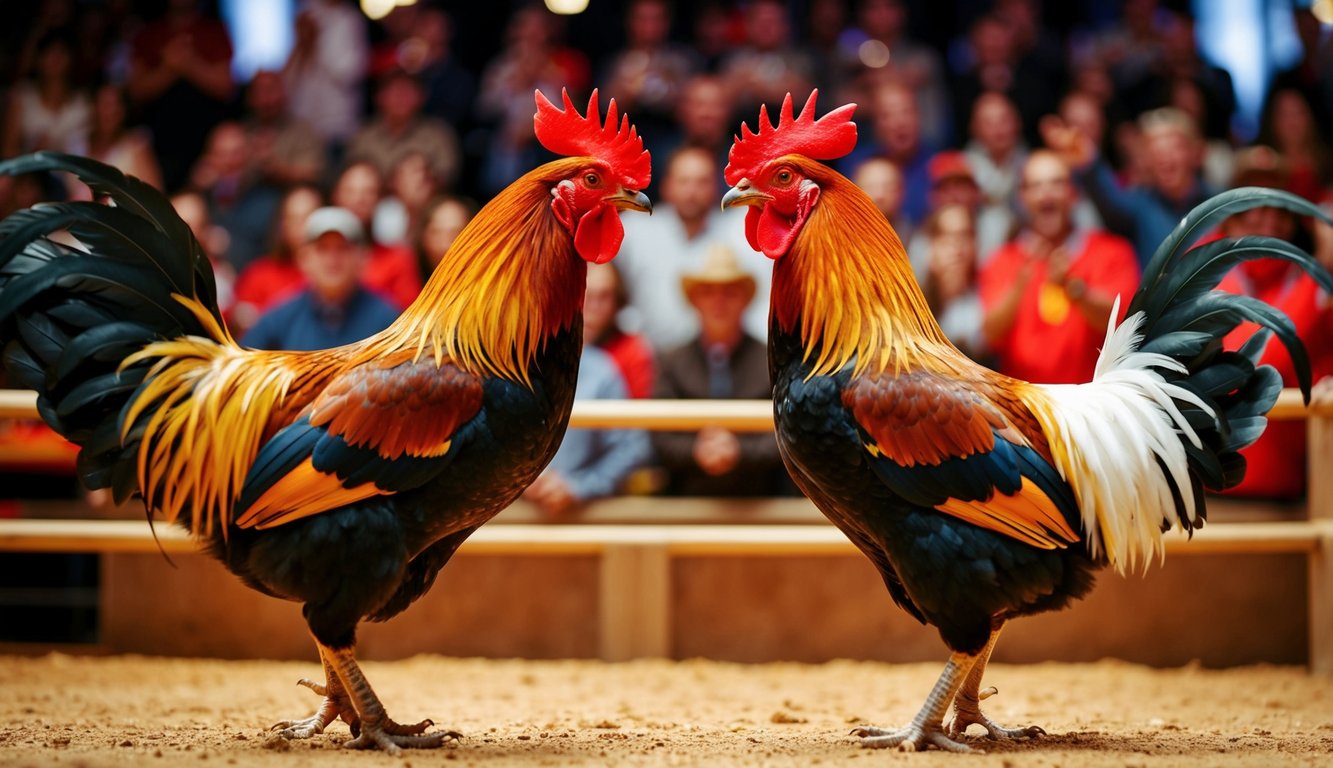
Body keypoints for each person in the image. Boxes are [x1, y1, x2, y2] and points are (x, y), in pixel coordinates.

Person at [1215, 146, 1333, 500]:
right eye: (1254, 203)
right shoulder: (1205, 282)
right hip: (1215, 495)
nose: (1267, 216)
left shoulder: (1314, 285)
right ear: (1230, 217)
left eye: (1279, 207)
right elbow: (1253, 362)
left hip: (1298, 492)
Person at [978, 150, 1139, 384]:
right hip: (1025, 407)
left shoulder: (1113, 251)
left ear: (1073, 194)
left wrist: (1074, 289)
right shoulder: (1002, 259)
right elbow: (990, 333)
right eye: (1036, 185)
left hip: (1093, 405)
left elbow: (1124, 324)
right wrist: (1020, 284)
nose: (1046, 193)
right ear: (1022, 197)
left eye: (1056, 183)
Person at [651, 246, 789, 497]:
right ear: (695, 300)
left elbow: (789, 432)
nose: (719, 301)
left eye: (730, 291)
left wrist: (740, 452)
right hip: (685, 499)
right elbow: (659, 435)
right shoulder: (672, 361)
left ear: (745, 300)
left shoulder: (772, 360)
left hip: (761, 500)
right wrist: (696, 451)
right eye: (708, 292)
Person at [614, 146, 768, 352]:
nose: (692, 191)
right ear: (666, 185)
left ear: (716, 187)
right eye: (683, 181)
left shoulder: (738, 230)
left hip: (720, 358)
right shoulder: (634, 230)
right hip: (649, 356)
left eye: (702, 182)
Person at [1046, 106, 1217, 269]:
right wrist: (1088, 159)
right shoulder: (1140, 206)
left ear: (1196, 153)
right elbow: (1110, 199)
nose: (1165, 157)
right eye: (1156, 151)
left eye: (1174, 148)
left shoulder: (1221, 205)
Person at [242, 206, 400, 351]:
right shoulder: (279, 319)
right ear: (304, 258)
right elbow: (243, 367)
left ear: (362, 257)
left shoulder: (388, 321)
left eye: (343, 248)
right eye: (322, 249)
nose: (332, 259)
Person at [127, 0, 235, 192]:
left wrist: (190, 63)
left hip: (206, 141)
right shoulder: (148, 33)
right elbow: (136, 91)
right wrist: (168, 69)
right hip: (161, 144)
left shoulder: (214, 30)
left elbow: (226, 87)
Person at [188, 121, 283, 273]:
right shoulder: (200, 199)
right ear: (209, 158)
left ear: (249, 155)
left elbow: (271, 257)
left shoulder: (269, 202)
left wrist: (228, 246)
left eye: (236, 153)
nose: (230, 162)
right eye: (221, 154)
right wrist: (194, 188)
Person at [345, 69, 461, 192]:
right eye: (394, 91)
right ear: (379, 97)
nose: (400, 98)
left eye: (407, 92)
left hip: (424, 205)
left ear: (421, 97)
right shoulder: (363, 134)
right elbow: (352, 174)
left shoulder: (438, 134)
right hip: (372, 204)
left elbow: (447, 178)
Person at [230, 183, 324, 336]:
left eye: (310, 216)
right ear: (283, 226)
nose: (304, 226)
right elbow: (240, 320)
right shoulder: (259, 274)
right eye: (294, 218)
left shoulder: (338, 271)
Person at [329, 161, 422, 309]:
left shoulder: (398, 259)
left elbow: (410, 318)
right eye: (350, 191)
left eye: (369, 192)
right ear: (336, 196)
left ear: (379, 200)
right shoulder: (315, 257)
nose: (359, 199)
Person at [282, 0, 369, 152]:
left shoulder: (349, 19)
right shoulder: (305, 12)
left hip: (337, 123)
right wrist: (302, 44)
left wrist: (315, 42)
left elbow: (349, 73)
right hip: (301, 121)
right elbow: (288, 76)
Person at [921, 204, 989, 364]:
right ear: (931, 247)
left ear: (975, 244)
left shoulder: (989, 295)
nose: (956, 245)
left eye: (964, 235)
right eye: (947, 236)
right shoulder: (908, 303)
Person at [240, 69, 327, 189]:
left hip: (289, 198)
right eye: (260, 91)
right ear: (250, 98)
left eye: (272, 90)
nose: (267, 99)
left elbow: (313, 175)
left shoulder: (302, 131)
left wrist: (275, 169)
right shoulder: (240, 132)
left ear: (284, 93)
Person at [584, 262, 654, 400]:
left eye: (604, 296)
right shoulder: (549, 347)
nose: (595, 306)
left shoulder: (633, 352)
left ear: (618, 300)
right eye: (588, 295)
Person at [851, 155, 912, 244]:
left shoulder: (916, 238)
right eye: (870, 187)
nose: (879, 195)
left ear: (902, 191)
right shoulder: (837, 236)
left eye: (889, 187)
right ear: (855, 193)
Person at [414, 194, 476, 278]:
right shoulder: (406, 280)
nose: (445, 245)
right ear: (423, 238)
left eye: (455, 234)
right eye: (436, 233)